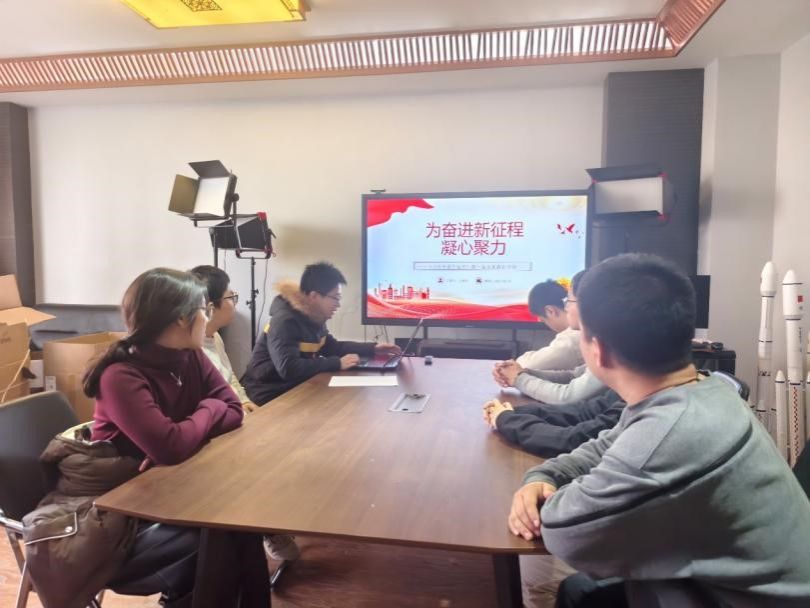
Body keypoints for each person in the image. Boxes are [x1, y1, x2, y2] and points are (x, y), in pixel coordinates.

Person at [508, 254, 810, 607]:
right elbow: (604, 445)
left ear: (598, 350)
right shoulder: (703, 388)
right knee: (579, 591)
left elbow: (566, 535)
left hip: (732, 599)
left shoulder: (668, 436)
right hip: (726, 583)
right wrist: (543, 475)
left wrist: (540, 494)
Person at [22, 268, 269, 608]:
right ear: (181, 318)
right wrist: (208, 410)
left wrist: (193, 422)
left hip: (159, 486)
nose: (208, 317)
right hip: (111, 505)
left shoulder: (191, 355)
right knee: (216, 538)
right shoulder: (120, 375)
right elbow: (171, 447)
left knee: (239, 523)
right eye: (204, 309)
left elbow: (232, 410)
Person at [190, 265, 300, 562]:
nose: (235, 302)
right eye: (231, 297)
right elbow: (206, 399)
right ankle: (266, 528)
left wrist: (245, 402)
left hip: (236, 412)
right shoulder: (191, 349)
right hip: (217, 427)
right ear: (209, 306)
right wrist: (239, 408)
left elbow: (232, 381)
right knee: (271, 456)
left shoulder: (214, 337)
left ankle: (274, 520)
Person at [242, 261, 400, 404]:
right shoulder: (285, 321)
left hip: (293, 388)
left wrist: (373, 348)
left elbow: (333, 347)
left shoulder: (314, 317)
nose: (338, 304)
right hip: (267, 394)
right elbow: (288, 368)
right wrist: (336, 363)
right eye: (335, 298)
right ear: (314, 296)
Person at [495, 271, 606, 404]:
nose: (566, 307)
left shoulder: (602, 343)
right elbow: (574, 376)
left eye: (569, 301)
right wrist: (522, 373)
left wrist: (519, 377)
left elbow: (567, 397)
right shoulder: (601, 337)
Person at [482, 391, 625, 458]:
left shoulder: (634, 406)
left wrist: (507, 420)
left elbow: (572, 440)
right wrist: (511, 412)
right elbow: (584, 411)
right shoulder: (629, 391)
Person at [493, 280, 582, 382]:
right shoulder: (580, 333)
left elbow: (526, 366)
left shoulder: (572, 339)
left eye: (543, 320)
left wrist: (510, 366)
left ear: (550, 311)